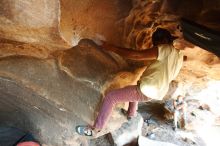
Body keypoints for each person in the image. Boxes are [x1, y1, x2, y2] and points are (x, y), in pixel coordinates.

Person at [76, 28, 184, 136]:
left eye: (156, 44)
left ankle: (95, 129)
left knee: (111, 97)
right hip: (158, 91)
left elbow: (137, 55)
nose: (155, 47)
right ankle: (131, 114)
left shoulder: (165, 49)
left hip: (147, 90)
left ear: (162, 41)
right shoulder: (179, 56)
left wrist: (112, 48)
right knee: (133, 89)